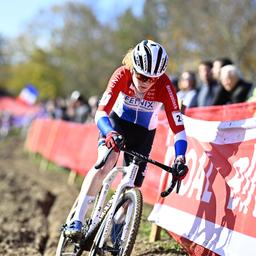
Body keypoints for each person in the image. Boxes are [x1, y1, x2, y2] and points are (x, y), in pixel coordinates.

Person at [64, 39, 188, 238]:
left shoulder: (165, 87)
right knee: (106, 163)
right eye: (141, 76)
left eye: (153, 78)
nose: (146, 82)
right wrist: (109, 132)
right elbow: (101, 112)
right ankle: (76, 219)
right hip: (116, 125)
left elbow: (179, 130)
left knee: (132, 186)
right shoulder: (122, 74)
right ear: (133, 68)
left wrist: (180, 158)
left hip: (144, 134)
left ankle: (116, 234)